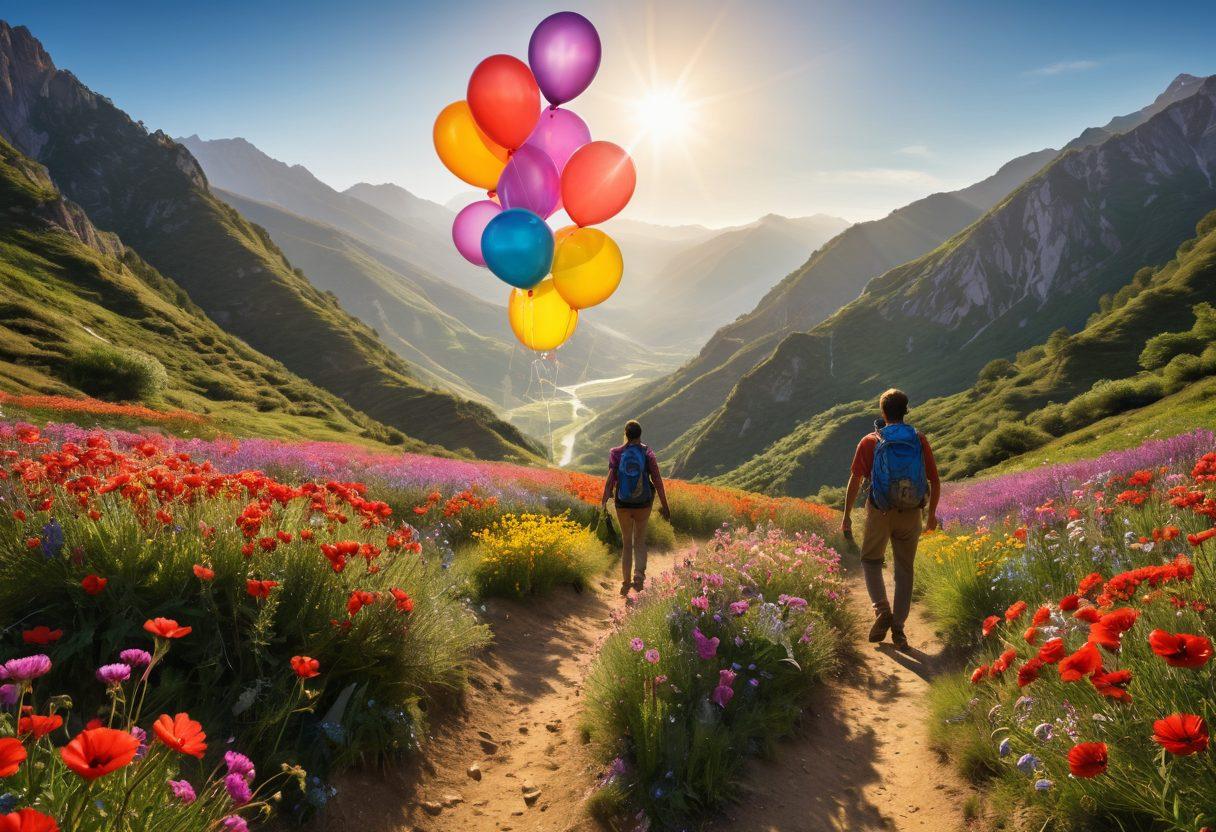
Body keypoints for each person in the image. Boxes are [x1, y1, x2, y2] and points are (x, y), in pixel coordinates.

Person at [841, 389, 940, 649]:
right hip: (911, 513)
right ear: (906, 411)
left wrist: (847, 516)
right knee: (904, 570)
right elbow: (934, 480)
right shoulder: (919, 439)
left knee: (871, 560)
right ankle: (898, 629)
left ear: (883, 412)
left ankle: (882, 610)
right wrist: (931, 516)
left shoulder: (870, 441)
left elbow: (856, 481)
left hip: (880, 511)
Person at [601, 420, 670, 596]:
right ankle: (639, 575)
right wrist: (665, 505)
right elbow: (658, 481)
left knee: (626, 543)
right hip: (643, 504)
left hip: (622, 504)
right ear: (640, 434)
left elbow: (610, 480)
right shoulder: (647, 453)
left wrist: (603, 504)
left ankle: (625, 581)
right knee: (639, 540)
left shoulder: (616, 453)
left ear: (626, 433)